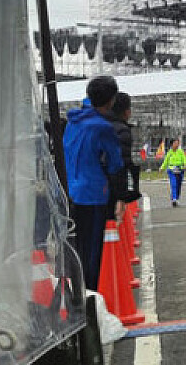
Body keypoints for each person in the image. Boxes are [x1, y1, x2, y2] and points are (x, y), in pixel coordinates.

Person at [63, 75, 124, 290]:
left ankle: (75, 293)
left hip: (70, 190)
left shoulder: (72, 122)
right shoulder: (102, 127)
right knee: (92, 251)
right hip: (93, 193)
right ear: (112, 100)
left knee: (75, 247)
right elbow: (115, 163)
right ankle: (89, 295)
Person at [107, 92, 141, 221]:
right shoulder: (121, 131)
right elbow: (121, 165)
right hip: (107, 190)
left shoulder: (97, 125)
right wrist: (122, 197)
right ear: (126, 111)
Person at [160, 138, 186, 206]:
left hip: (180, 169)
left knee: (178, 185)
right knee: (173, 184)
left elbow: (184, 159)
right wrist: (162, 168)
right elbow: (166, 161)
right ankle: (174, 199)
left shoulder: (180, 151)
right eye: (175, 143)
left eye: (178, 143)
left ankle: (176, 198)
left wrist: (185, 165)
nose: (177, 145)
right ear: (171, 144)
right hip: (171, 170)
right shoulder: (169, 153)